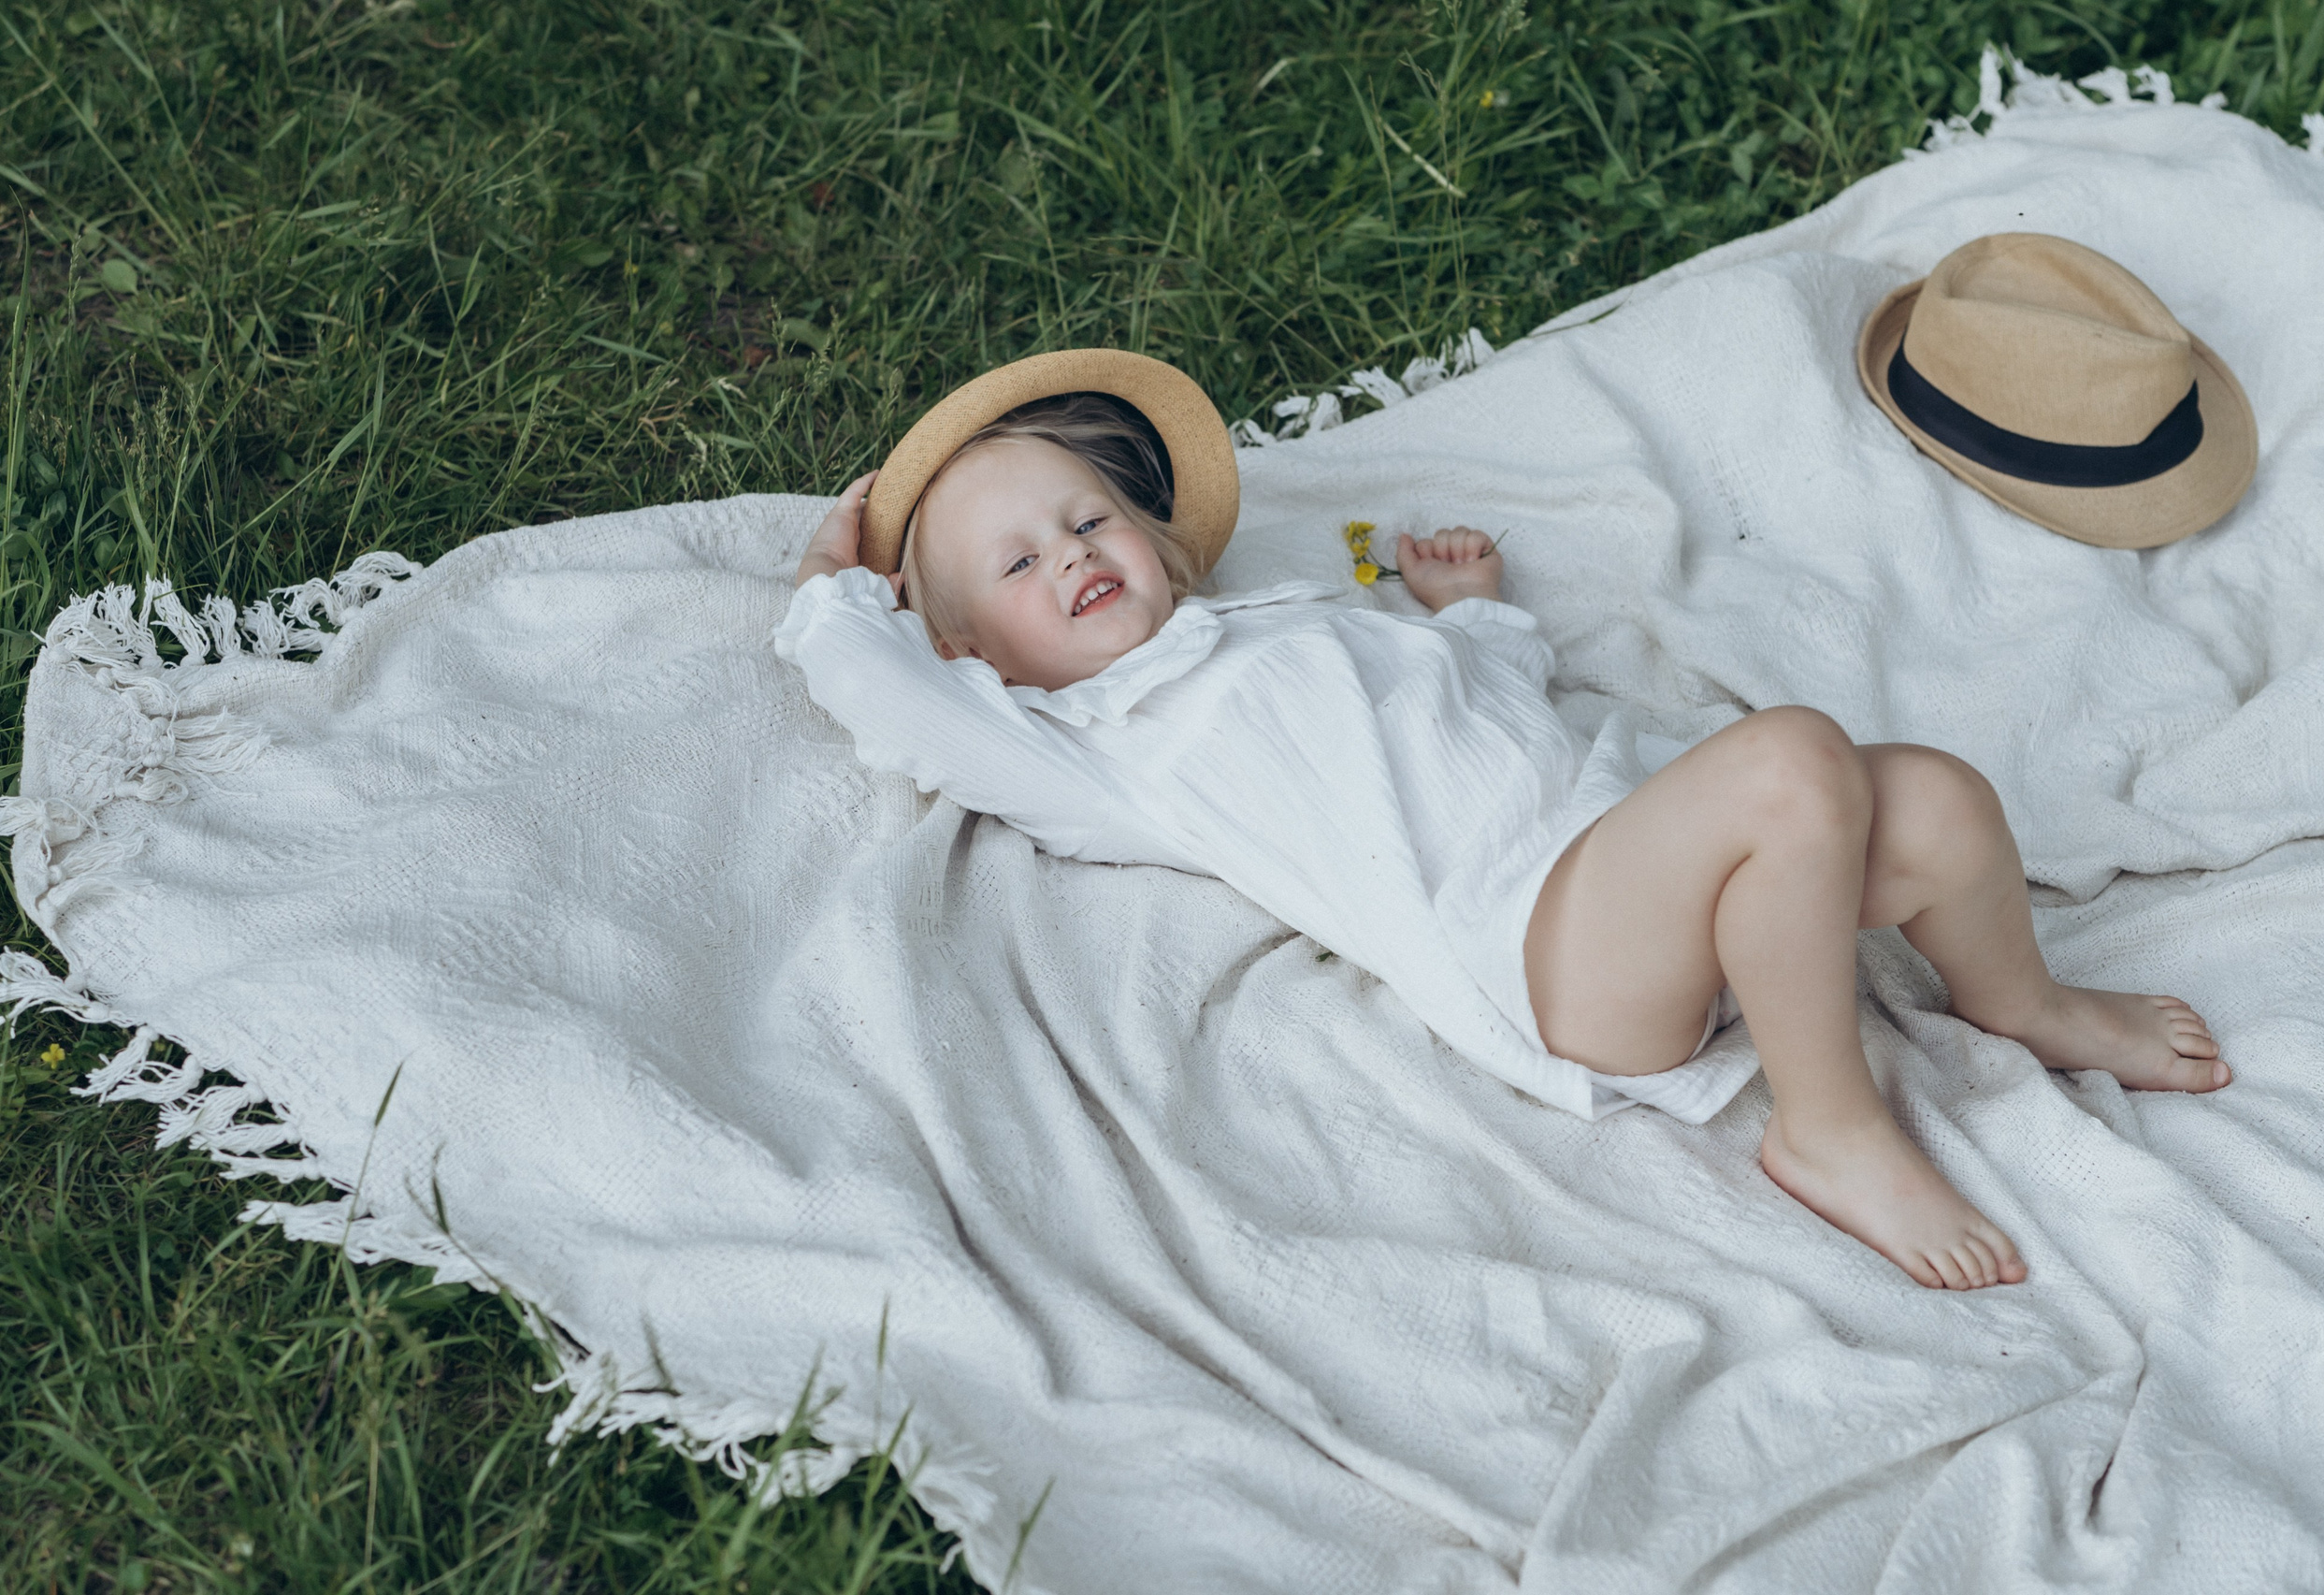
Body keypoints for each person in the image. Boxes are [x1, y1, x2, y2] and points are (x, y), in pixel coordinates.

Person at [775, 370, 2227, 1293]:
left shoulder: (1293, 625)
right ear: (988, 662)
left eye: (1087, 520)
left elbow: (1474, 714)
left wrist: (1472, 618)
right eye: (1021, 566)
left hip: (1630, 855)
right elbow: (901, 710)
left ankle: (2022, 999)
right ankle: (1828, 1126)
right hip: (1544, 951)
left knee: (1942, 798)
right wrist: (834, 592)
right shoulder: (1105, 748)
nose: (1075, 556)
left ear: (1157, 544)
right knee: (1792, 762)